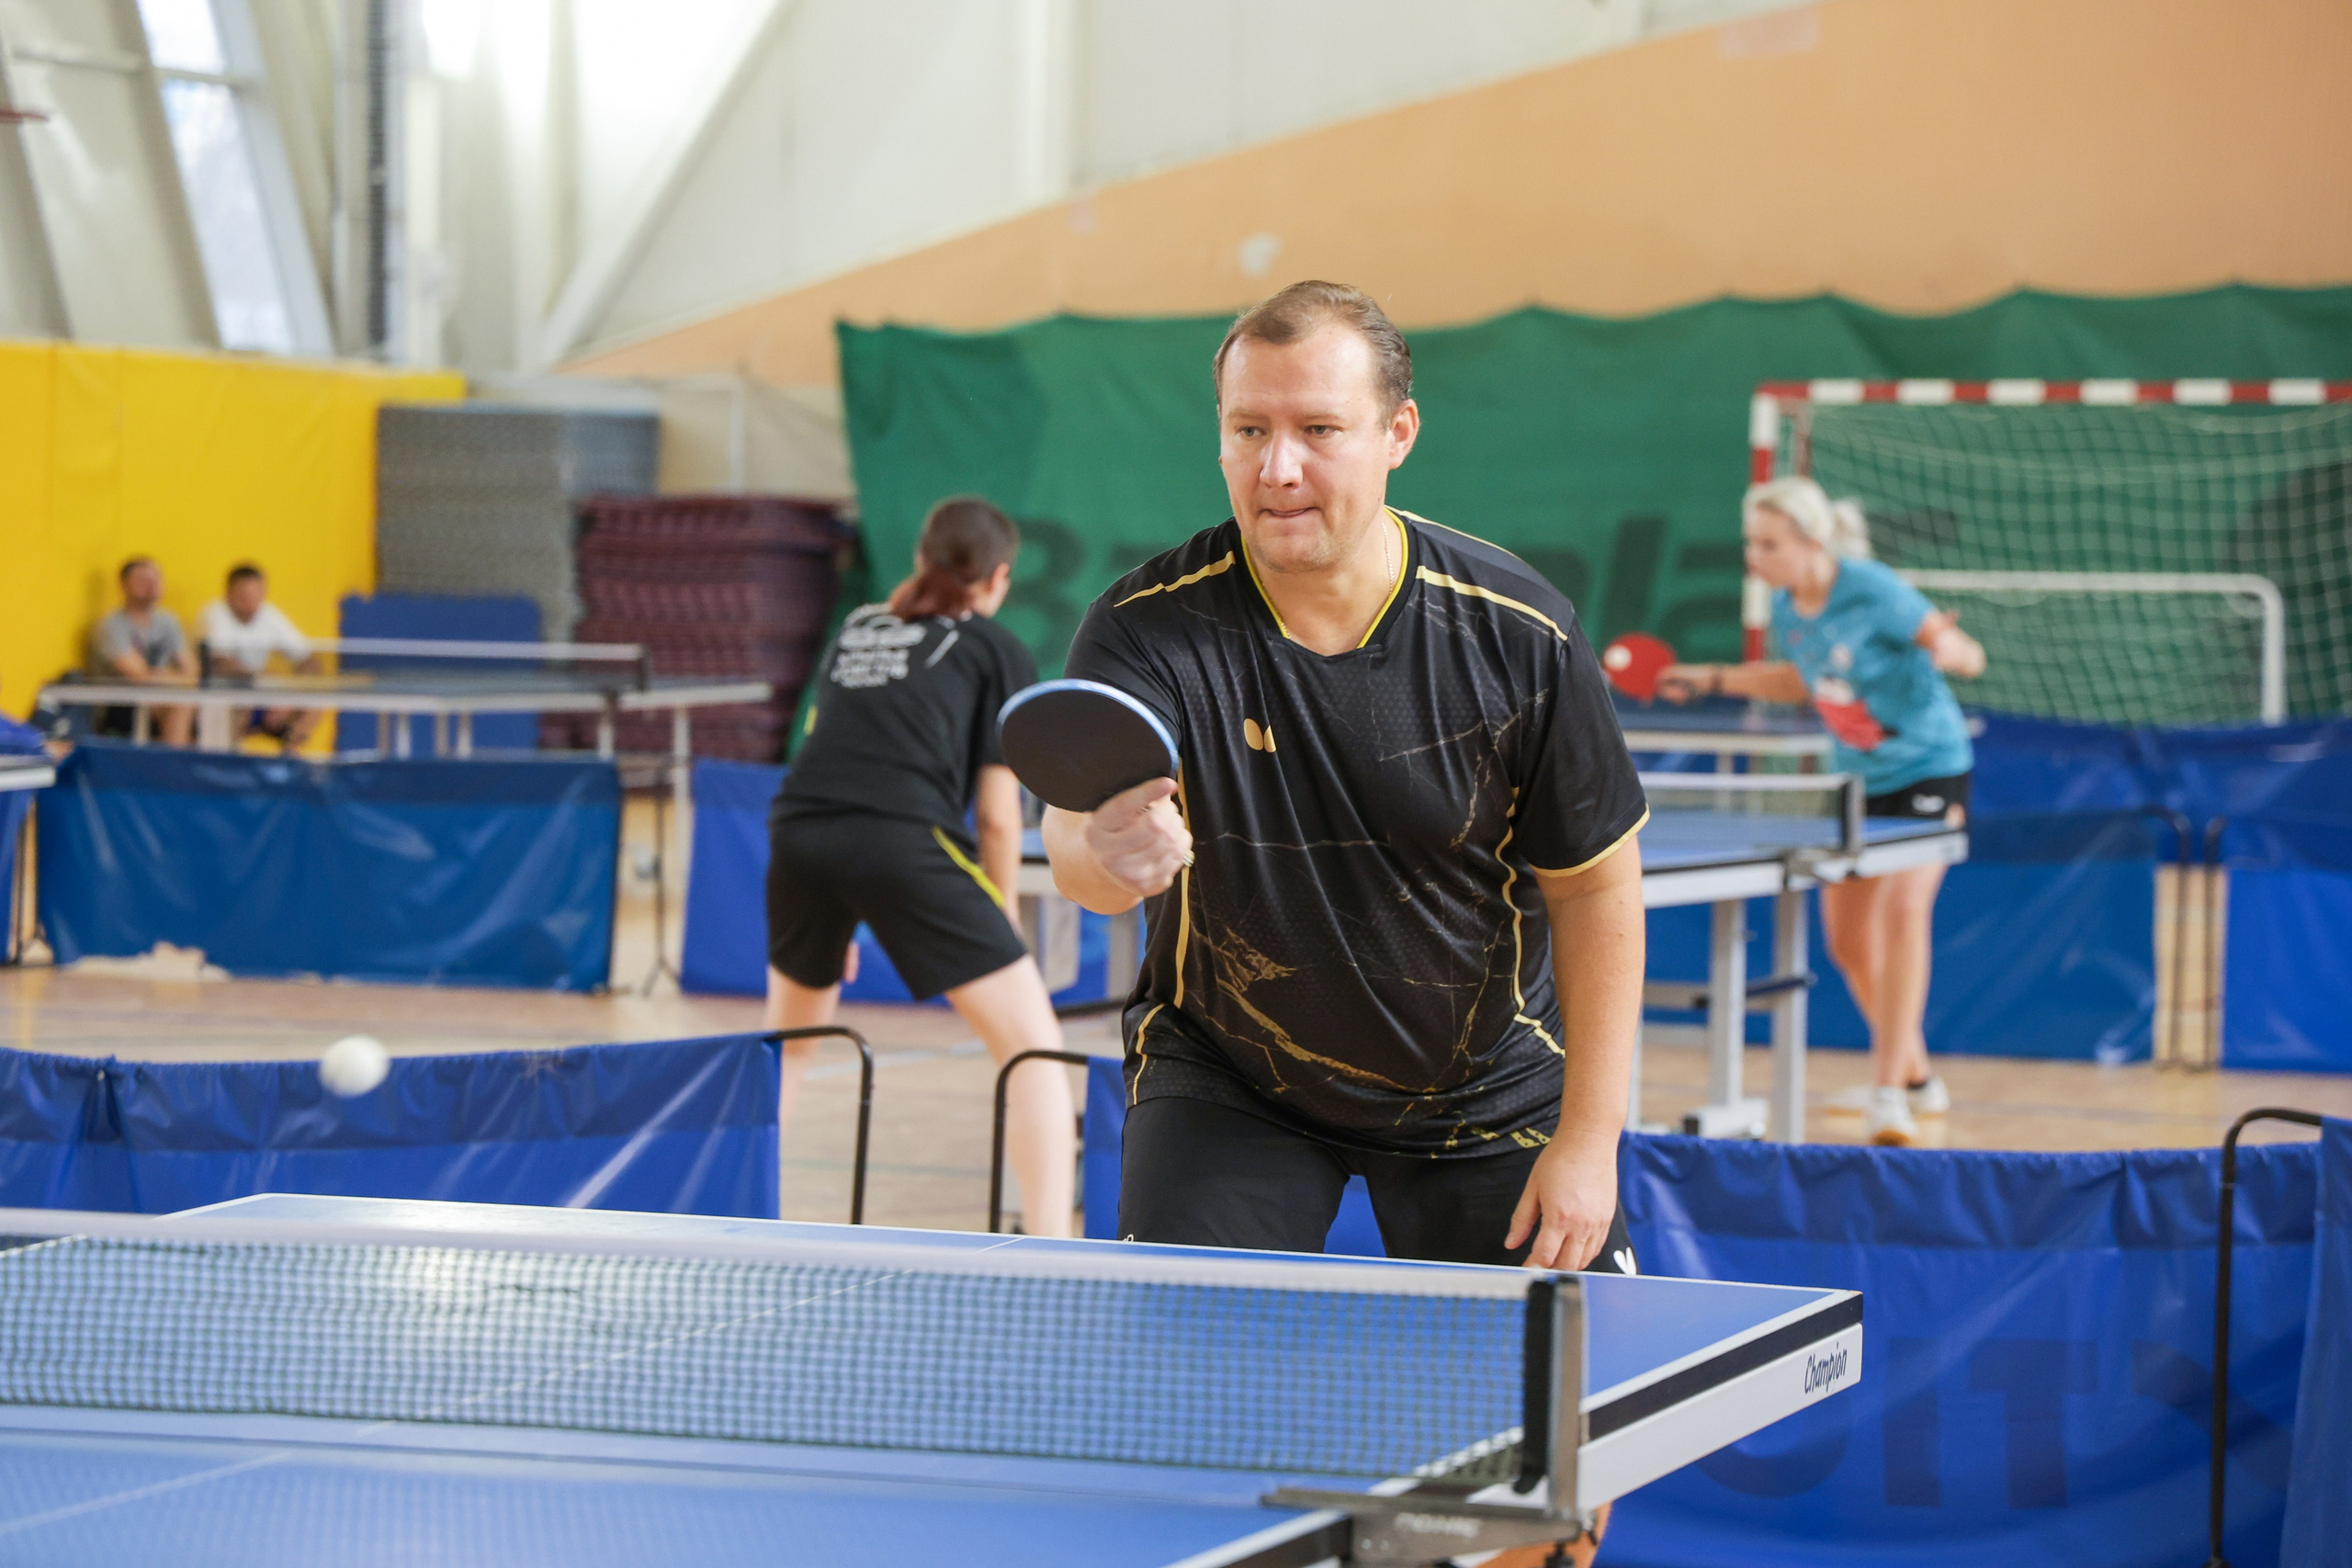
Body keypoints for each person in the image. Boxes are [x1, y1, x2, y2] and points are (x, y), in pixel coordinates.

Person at [1043, 280, 1649, 1280]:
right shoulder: (1145, 628)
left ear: (1396, 433)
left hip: (1485, 1083)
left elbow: (1595, 888)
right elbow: (1078, 840)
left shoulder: (1516, 632)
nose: (1278, 468)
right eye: (1249, 430)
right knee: (1184, 1367)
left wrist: (1590, 1139)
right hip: (1231, 1077)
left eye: (1318, 429)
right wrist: (1105, 851)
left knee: (1565, 1374)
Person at [765, 497, 1078, 1236]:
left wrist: (832, 910)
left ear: (920, 558)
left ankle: (733, 1217)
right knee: (1034, 1051)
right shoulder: (998, 647)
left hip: (799, 835)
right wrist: (1001, 911)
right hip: (902, 838)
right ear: (998, 579)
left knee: (788, 1051)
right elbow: (997, 814)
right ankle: (1053, 1254)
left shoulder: (856, 628)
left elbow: (832, 743)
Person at [1657, 476, 1985, 1146]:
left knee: (1904, 912)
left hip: (1930, 769)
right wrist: (1713, 676)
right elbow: (1798, 681)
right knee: (1848, 943)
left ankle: (1888, 1097)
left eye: (1768, 543)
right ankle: (1918, 1078)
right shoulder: (1788, 608)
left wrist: (1953, 651)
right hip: (1860, 782)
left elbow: (1966, 653)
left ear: (1811, 543)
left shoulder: (1875, 590)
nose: (1754, 556)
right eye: (1751, 542)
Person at [198, 562, 322, 748]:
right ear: (229, 593)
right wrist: (265, 683)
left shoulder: (270, 616)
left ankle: (289, 758)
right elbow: (221, 663)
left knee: (315, 704)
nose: (251, 601)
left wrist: (290, 696)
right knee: (239, 704)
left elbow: (310, 661)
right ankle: (230, 758)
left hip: (263, 696)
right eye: (244, 595)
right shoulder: (214, 613)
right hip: (224, 697)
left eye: (256, 595)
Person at [88, 557, 196, 745]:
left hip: (163, 696)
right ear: (124, 585)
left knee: (210, 705)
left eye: (156, 578)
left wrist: (165, 677)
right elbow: (138, 677)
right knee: (180, 704)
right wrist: (172, 677)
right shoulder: (112, 625)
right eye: (142, 579)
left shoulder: (168, 621)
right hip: (121, 703)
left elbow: (193, 672)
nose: (152, 584)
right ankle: (171, 761)